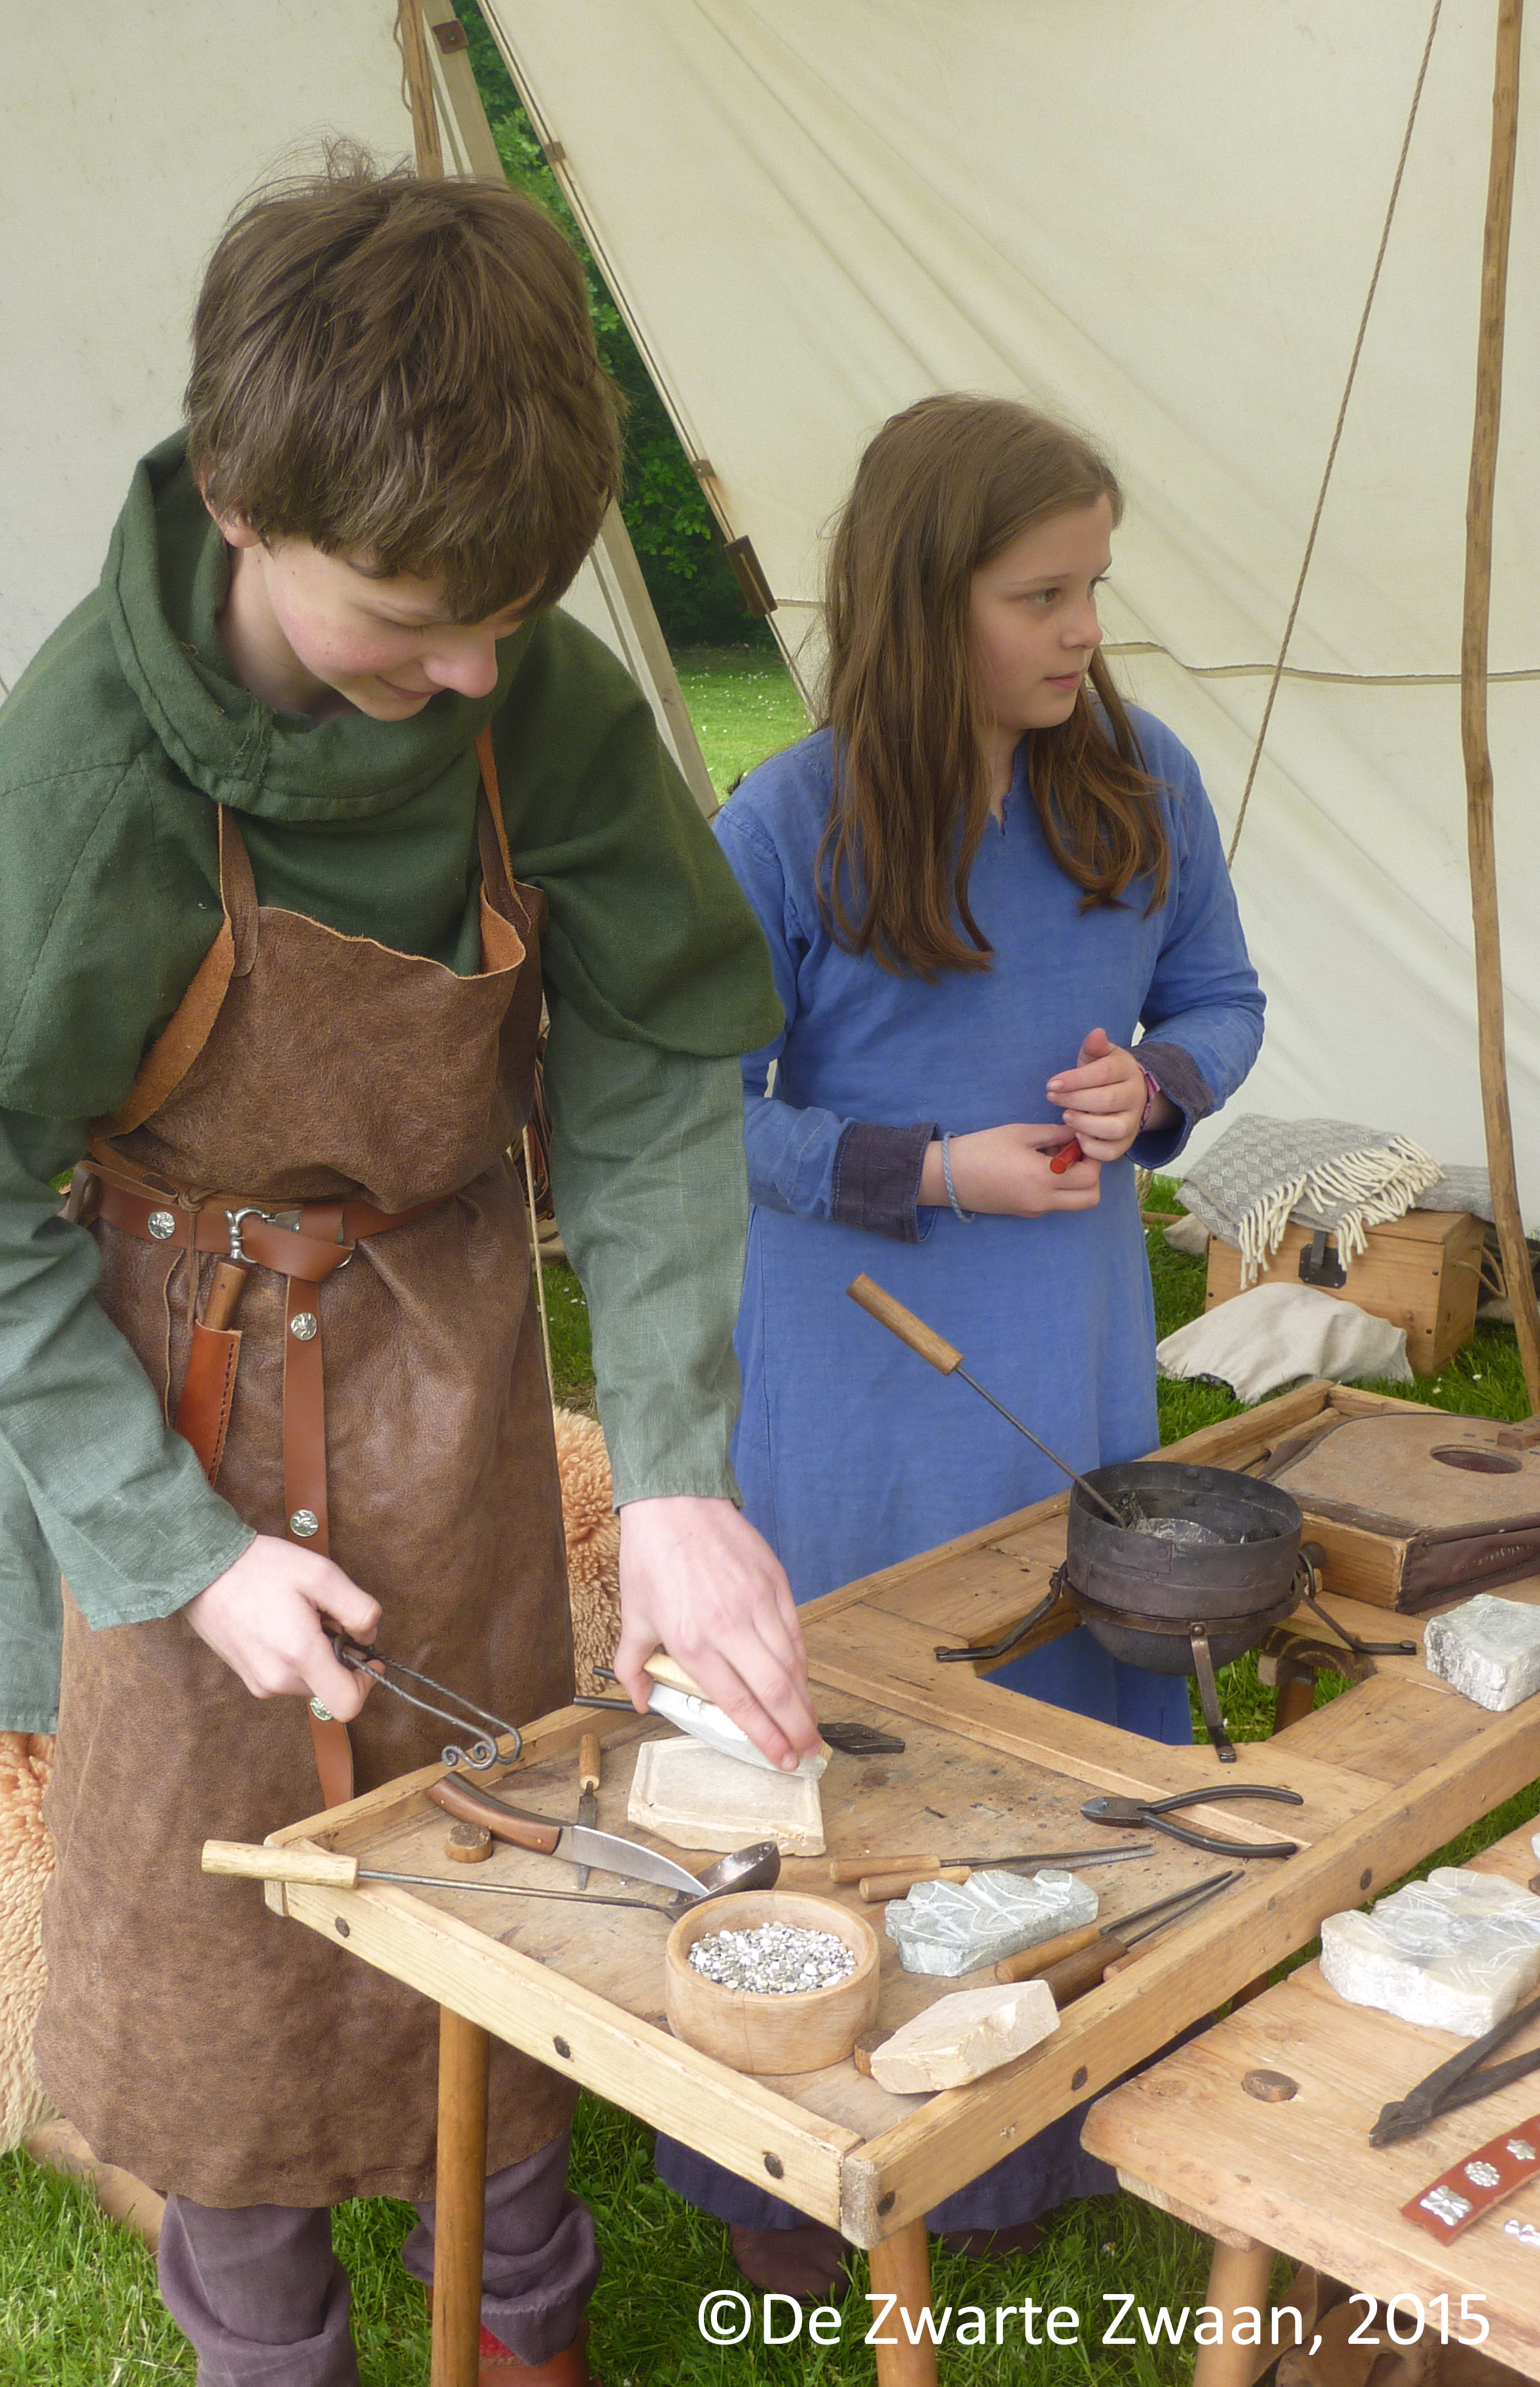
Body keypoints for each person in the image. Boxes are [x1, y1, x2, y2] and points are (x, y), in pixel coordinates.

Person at [0, 158, 817, 2387]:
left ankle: (521, 2314)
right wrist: (181, 1553)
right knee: (219, 1937)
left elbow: (664, 1072)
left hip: (443, 1375)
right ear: (237, 493)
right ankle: (269, 2342)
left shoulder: (530, 697)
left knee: (500, 1857)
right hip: (159, 1403)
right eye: (412, 617)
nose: (473, 671)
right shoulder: (80, 767)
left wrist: (671, 1467)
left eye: (509, 611)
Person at [654, 393, 1266, 2291]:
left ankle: (1058, 2118)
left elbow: (1224, 998)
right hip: (861, 1357)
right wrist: (918, 1164)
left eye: (1095, 586)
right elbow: (681, 1106)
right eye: (1042, 594)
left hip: (1069, 1339)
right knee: (866, 1742)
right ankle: (810, 2140)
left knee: (1084, 1694)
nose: (1087, 629)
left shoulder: (1136, 777)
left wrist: (1149, 1087)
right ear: (929, 603)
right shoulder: (791, 818)